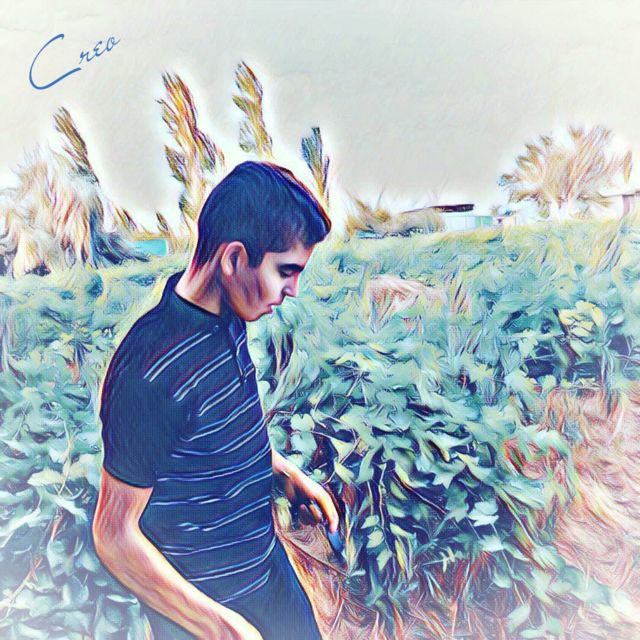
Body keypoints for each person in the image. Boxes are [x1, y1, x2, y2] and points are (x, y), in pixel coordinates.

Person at [92, 161, 339, 640]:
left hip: (269, 579)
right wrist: (222, 628)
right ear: (234, 259)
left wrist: (282, 474)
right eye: (285, 271)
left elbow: (216, 434)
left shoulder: (229, 317)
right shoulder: (148, 369)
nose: (292, 290)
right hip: (202, 613)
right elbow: (113, 534)